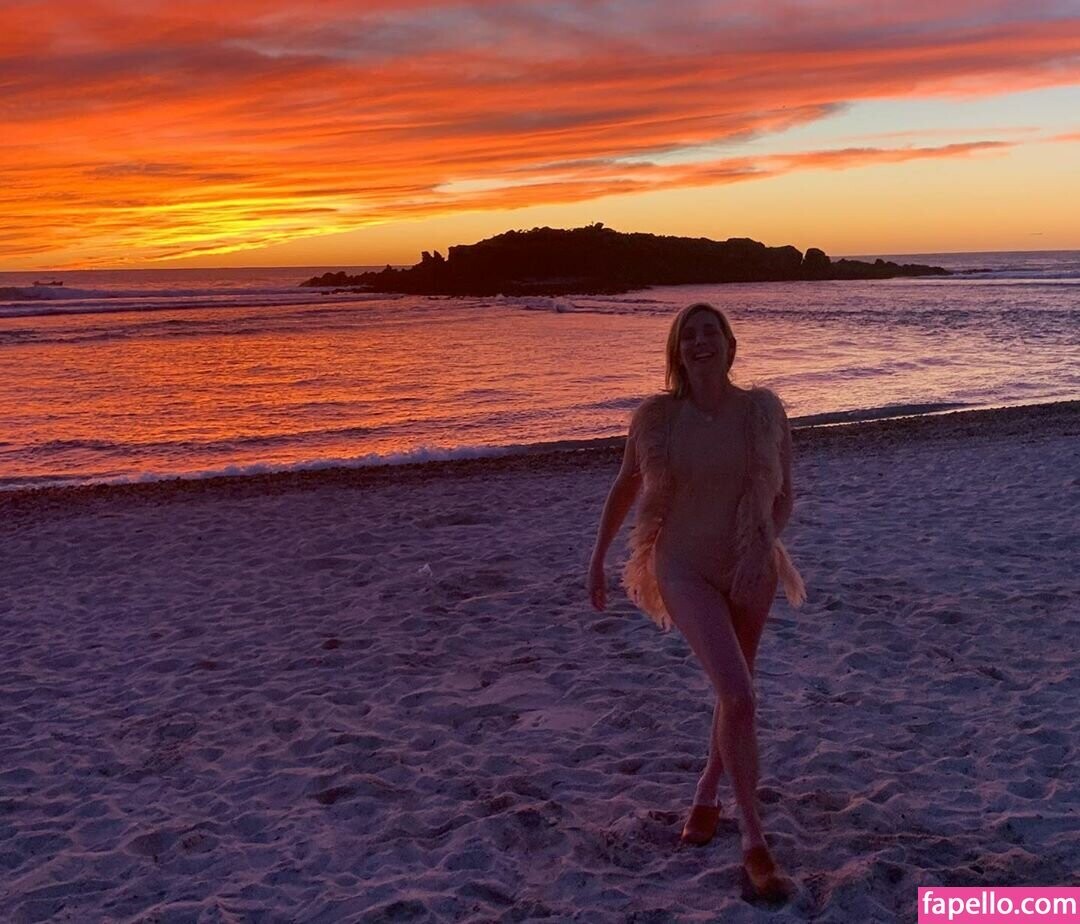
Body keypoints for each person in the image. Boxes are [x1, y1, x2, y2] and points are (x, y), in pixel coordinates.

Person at [587, 301, 805, 902]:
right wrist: (598, 557)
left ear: (731, 345)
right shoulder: (657, 419)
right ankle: (754, 840)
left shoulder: (763, 411)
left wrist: (761, 545)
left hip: (750, 566)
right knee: (739, 695)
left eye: (712, 332)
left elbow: (785, 493)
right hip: (682, 566)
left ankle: (707, 790)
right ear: (677, 351)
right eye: (690, 335)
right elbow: (626, 486)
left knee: (735, 696)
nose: (701, 342)